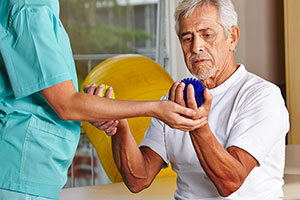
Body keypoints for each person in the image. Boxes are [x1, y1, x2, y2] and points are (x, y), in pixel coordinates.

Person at [0, 0, 203, 200]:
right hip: (22, 167)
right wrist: (156, 108)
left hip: (34, 168)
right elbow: (66, 104)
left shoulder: (39, 9)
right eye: (187, 38)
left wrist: (102, 109)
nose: (196, 47)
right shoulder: (29, 9)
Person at [95, 0, 290, 199]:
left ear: (232, 37)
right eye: (187, 38)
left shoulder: (262, 96)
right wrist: (118, 124)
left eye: (207, 35)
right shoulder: (171, 100)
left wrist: (196, 123)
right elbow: (138, 179)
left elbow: (230, 182)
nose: (196, 47)